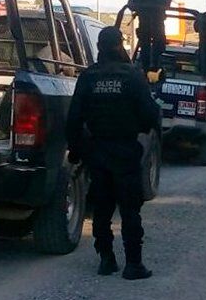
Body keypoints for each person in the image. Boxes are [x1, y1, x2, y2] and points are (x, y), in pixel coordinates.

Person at [66, 26, 161, 280]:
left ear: (98, 48)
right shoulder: (132, 76)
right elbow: (151, 114)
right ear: (120, 45)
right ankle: (133, 265)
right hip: (126, 151)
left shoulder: (88, 77)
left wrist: (76, 152)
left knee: (102, 208)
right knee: (130, 210)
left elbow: (73, 119)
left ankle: (106, 260)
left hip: (97, 151)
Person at [127, 0, 173, 73]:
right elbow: (167, 3)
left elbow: (130, 5)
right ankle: (156, 67)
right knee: (158, 48)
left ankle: (147, 68)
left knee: (145, 48)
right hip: (158, 26)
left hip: (144, 26)